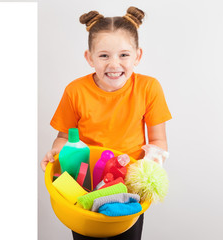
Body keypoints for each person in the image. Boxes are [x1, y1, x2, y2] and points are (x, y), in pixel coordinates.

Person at [41, 6, 172, 240]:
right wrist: (57, 152)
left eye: (123, 55)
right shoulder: (75, 91)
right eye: (104, 55)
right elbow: (64, 137)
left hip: (129, 186)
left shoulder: (149, 88)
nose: (114, 64)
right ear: (89, 58)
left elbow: (158, 140)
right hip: (85, 183)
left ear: (138, 56)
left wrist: (147, 173)